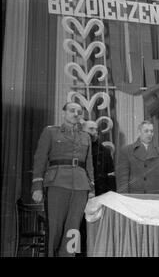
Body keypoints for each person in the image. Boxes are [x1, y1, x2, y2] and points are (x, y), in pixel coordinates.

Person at [31, 102, 94, 257]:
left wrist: (91, 189)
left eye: (79, 111)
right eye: (72, 110)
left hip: (80, 186)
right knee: (55, 228)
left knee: (73, 229)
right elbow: (40, 159)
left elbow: (89, 165)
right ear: (63, 113)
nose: (76, 114)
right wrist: (37, 186)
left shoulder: (86, 136)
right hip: (57, 182)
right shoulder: (51, 132)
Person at [116, 121, 159, 195]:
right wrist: (124, 199)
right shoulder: (126, 151)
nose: (149, 134)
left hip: (156, 198)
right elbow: (122, 181)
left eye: (151, 131)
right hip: (135, 199)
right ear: (139, 132)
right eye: (146, 131)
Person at [82, 121, 116, 196]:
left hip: (99, 193)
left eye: (96, 129)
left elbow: (110, 176)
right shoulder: (76, 149)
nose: (94, 132)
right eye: (91, 129)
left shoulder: (104, 151)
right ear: (82, 131)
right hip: (81, 190)